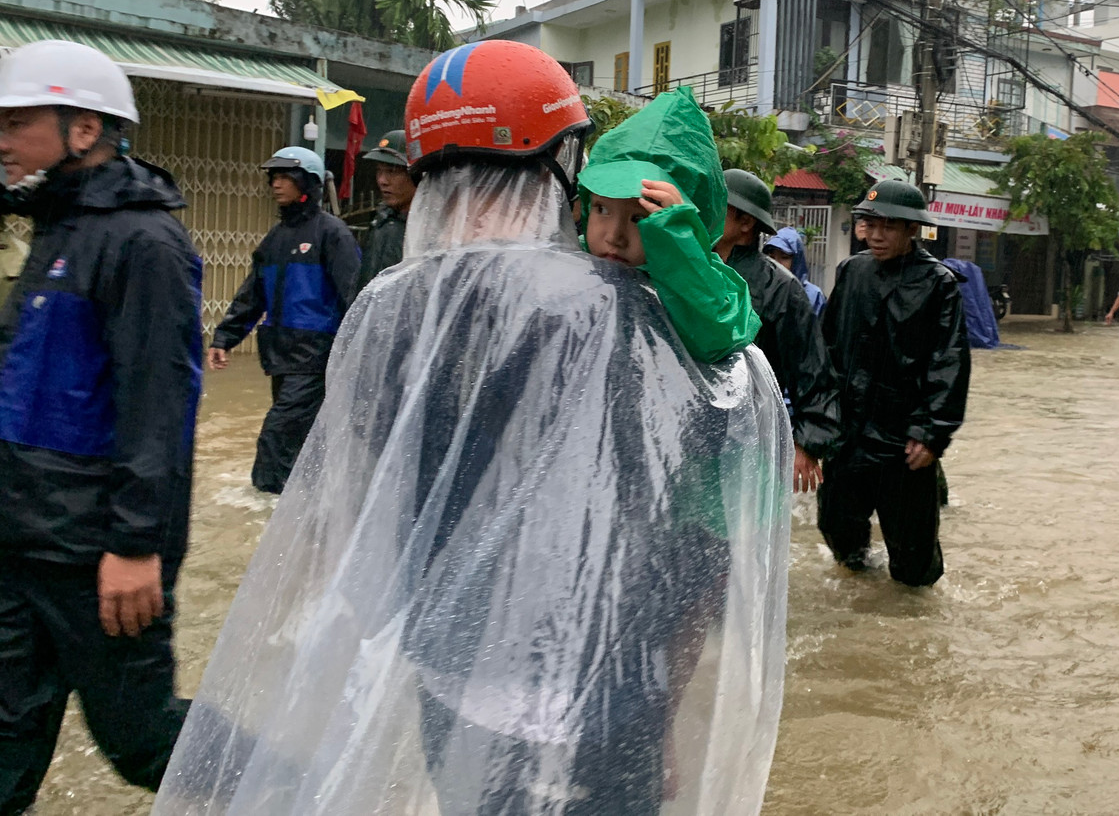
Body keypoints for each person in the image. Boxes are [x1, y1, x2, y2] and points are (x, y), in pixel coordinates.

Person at [154, 40, 790, 816]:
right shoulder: (631, 321)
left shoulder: (388, 312)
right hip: (601, 698)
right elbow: (698, 546)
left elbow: (362, 524)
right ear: (564, 174)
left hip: (461, 687)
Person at [0, 40, 202, 812]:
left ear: (84, 129)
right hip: (20, 541)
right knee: (7, 734)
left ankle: (296, 785)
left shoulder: (143, 242)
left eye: (18, 121)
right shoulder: (57, 225)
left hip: (96, 554)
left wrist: (134, 544)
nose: (4, 137)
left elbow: (158, 408)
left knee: (141, 740)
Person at [817, 179, 970, 587]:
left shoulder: (938, 284)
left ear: (912, 230)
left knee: (913, 556)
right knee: (836, 526)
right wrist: (818, 421)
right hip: (848, 435)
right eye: (871, 223)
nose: (877, 234)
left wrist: (931, 432)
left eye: (889, 225)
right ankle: (860, 585)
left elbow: (949, 362)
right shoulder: (852, 272)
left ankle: (913, 617)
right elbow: (828, 349)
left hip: (903, 440)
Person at [207, 147, 359, 494]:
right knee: (301, 439)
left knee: (276, 437)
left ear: (307, 182)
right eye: (272, 177)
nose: (275, 184)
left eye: (284, 177)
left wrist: (356, 352)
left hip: (315, 357)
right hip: (280, 357)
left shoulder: (332, 234)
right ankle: (312, 503)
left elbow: (353, 295)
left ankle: (265, 506)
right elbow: (253, 295)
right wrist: (224, 338)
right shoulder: (274, 239)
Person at [577, 87, 758, 363]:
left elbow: (718, 333)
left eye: (640, 218)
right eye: (602, 209)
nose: (614, 237)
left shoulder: (709, 282)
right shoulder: (568, 261)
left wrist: (677, 244)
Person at [716, 168, 840, 494]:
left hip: (751, 437)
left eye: (716, 202)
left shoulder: (781, 288)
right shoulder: (689, 266)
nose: (702, 207)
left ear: (746, 223)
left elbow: (811, 369)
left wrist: (807, 444)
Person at [356, 129, 415, 290]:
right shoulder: (380, 223)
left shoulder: (431, 229)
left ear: (416, 174)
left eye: (392, 172)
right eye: (379, 171)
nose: (382, 180)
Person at [763, 226, 827, 315]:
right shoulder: (761, 291)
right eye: (772, 257)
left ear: (797, 260)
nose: (776, 263)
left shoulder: (813, 296)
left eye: (784, 257)